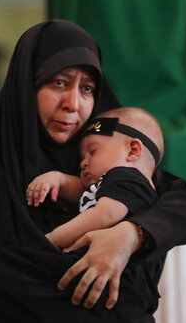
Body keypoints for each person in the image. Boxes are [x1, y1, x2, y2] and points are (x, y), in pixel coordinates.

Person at [0, 20, 186, 323]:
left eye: (87, 89)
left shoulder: (108, 153)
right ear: (26, 85)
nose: (73, 104)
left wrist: (128, 236)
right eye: (59, 82)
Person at [27, 107, 163, 250]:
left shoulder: (130, 180)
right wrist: (58, 179)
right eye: (82, 157)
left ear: (133, 150)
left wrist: (51, 239)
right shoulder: (113, 185)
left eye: (93, 151)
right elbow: (83, 191)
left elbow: (104, 215)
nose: (83, 163)